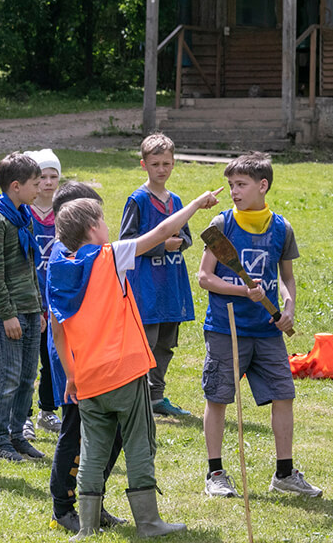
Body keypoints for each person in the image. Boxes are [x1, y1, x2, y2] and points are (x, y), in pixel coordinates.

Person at [50, 187, 221, 539]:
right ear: (93, 228)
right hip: (125, 373)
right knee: (140, 443)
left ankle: (86, 527)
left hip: (87, 377)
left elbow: (58, 331)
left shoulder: (58, 271)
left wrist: (70, 374)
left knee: (93, 450)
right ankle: (148, 522)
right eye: (103, 219)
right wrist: (194, 204)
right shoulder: (110, 257)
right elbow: (159, 234)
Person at [197, 152, 322, 499]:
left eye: (241, 184)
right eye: (231, 185)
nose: (234, 191)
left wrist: (289, 307)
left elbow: (286, 279)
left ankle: (284, 473)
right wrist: (241, 290)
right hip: (228, 327)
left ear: (262, 185)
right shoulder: (222, 226)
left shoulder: (282, 228)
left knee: (284, 395)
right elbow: (205, 277)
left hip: (267, 330)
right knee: (218, 397)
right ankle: (216, 473)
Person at [46, 182, 126, 534]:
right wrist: (71, 372)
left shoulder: (93, 253)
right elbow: (60, 325)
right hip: (76, 361)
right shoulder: (63, 260)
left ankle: (93, 500)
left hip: (100, 355)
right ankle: (64, 506)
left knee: (115, 429)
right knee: (76, 430)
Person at [119, 133, 195, 417]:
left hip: (171, 285)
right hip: (146, 286)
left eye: (166, 163)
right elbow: (127, 242)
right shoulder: (137, 200)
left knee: (165, 344)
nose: (161, 169)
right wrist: (160, 245)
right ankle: (136, 398)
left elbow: (187, 236)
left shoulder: (176, 200)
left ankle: (156, 396)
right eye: (155, 164)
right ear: (144, 165)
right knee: (144, 345)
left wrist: (181, 242)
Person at [0, 152, 45, 462]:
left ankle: (18, 435)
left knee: (27, 375)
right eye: (36, 183)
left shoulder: (24, 216)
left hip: (30, 308)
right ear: (15, 186)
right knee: (8, 375)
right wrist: (7, 315)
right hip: (8, 312)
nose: (41, 188)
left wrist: (40, 307)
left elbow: (32, 267)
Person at [22, 149, 63, 438]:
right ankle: (23, 415)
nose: (48, 182)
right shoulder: (26, 214)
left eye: (53, 176)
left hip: (56, 297)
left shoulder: (64, 213)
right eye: (42, 176)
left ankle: (47, 411)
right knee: (28, 358)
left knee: (52, 357)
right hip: (30, 297)